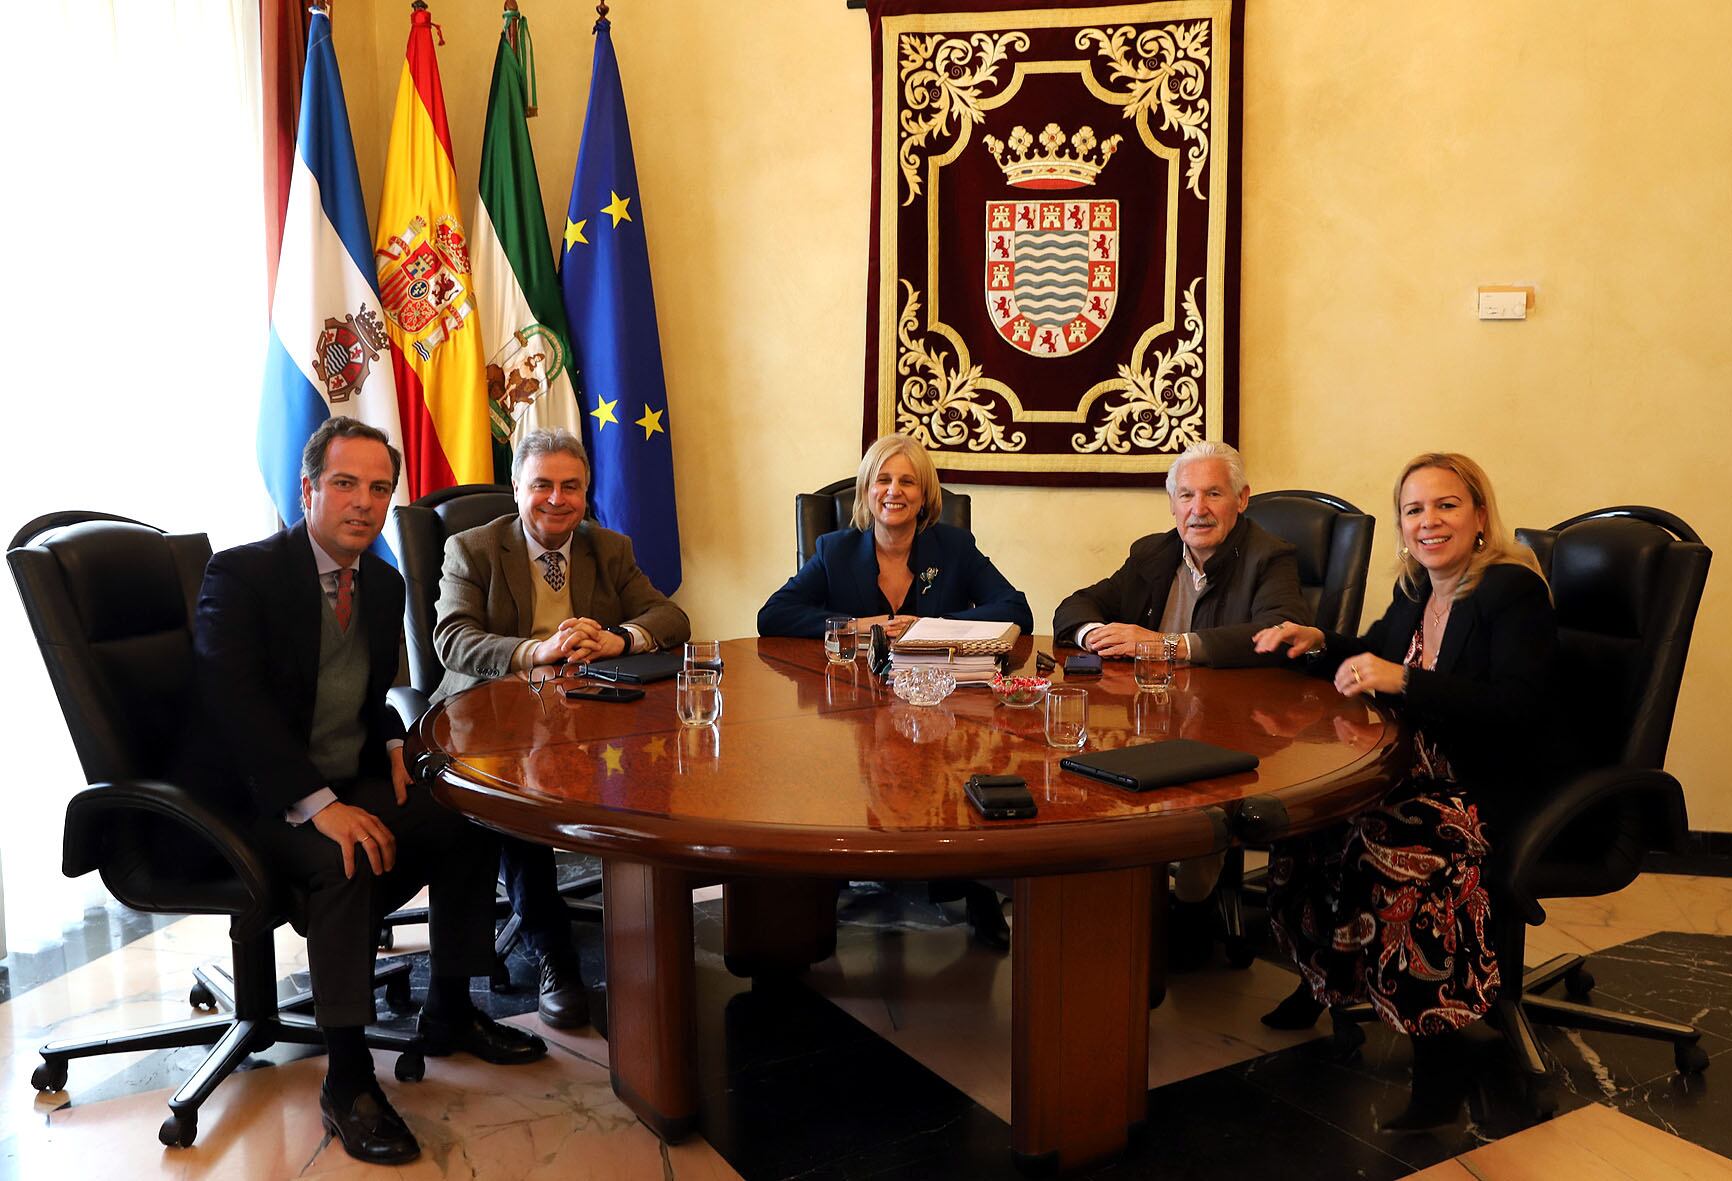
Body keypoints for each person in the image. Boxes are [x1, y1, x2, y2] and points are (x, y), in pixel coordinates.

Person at [182, 417, 545, 1165]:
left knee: (464, 811)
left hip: (343, 772)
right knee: (345, 852)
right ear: (308, 488)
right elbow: (235, 706)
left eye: (379, 487)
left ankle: (451, 1006)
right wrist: (323, 804)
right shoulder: (242, 575)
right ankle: (348, 1080)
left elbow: (367, 691)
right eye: (345, 483)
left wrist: (389, 743)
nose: (364, 502)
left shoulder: (379, 581)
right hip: (249, 800)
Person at [1251, 452, 1560, 1129]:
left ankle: (1442, 1062)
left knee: (1393, 850)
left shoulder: (1512, 590)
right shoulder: (1418, 588)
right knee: (1302, 819)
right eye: (1413, 509)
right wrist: (1317, 642)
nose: (1428, 521)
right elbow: (1375, 656)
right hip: (1415, 769)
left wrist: (1405, 682)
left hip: (1488, 786)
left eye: (1446, 505)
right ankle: (1323, 983)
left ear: (1480, 515)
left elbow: (1519, 708)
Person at [432, 426, 690, 1031]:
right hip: (492, 714)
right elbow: (453, 638)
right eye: (542, 484)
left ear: (586, 492)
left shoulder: (609, 548)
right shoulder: (470, 549)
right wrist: (536, 651)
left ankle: (649, 934)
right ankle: (554, 955)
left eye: (570, 486)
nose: (556, 499)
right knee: (524, 803)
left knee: (663, 772)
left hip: (584, 713)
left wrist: (617, 638)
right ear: (516, 489)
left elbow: (670, 616)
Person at [757, 433, 1033, 948]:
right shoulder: (835, 550)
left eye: (907, 481)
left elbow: (1016, 611)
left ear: (925, 496)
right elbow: (773, 616)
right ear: (865, 492)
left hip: (943, 710)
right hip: (857, 715)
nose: (894, 491)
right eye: (883, 480)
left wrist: (928, 623)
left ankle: (972, 883)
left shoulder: (953, 547)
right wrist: (858, 625)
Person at [1053, 440, 1310, 966]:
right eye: (1186, 495)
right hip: (1149, 722)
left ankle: (1187, 909)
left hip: (1234, 726)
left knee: (1204, 801)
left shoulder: (1270, 556)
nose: (1199, 508)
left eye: (1214, 493)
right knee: (1080, 777)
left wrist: (1165, 645)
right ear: (1172, 506)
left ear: (1242, 499)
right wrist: (1095, 632)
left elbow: (1277, 631)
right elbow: (1074, 604)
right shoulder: (1154, 551)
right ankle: (1112, 914)